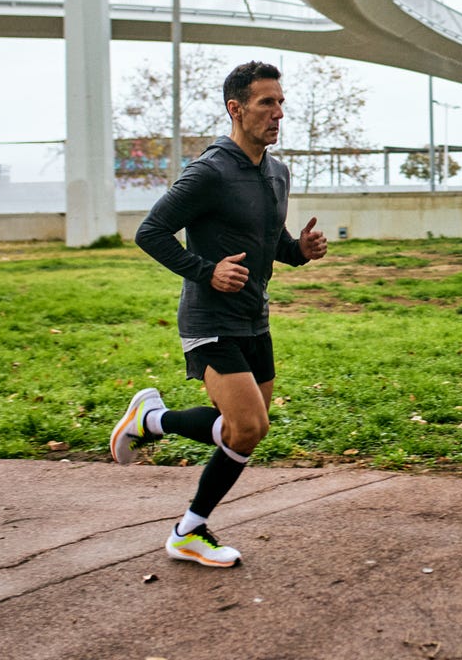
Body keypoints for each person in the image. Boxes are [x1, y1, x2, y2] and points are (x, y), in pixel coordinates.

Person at [111, 60, 327, 568]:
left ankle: (154, 422)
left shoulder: (276, 171)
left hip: (255, 317)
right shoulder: (209, 171)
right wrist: (205, 271)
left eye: (280, 103)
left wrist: (301, 249)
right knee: (248, 426)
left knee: (247, 428)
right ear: (236, 109)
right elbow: (151, 232)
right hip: (210, 318)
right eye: (265, 104)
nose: (278, 113)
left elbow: (271, 242)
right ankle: (189, 528)